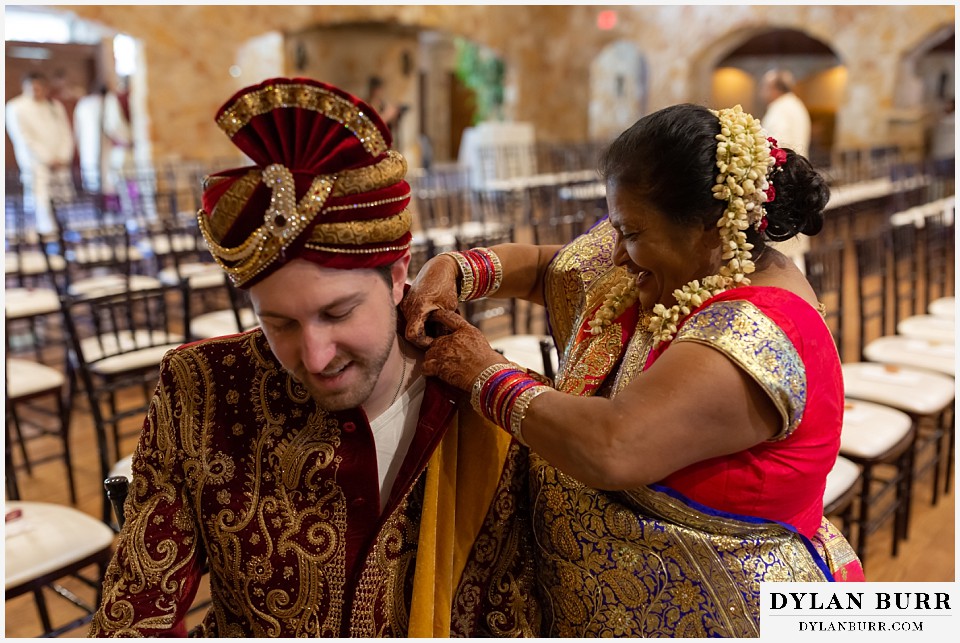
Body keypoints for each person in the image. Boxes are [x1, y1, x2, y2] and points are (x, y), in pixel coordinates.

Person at [88, 77, 539, 637]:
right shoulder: (201, 391)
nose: (316, 355)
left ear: (398, 277)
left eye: (339, 312)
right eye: (279, 323)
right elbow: (135, 611)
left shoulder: (486, 404)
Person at [403, 103, 865, 638]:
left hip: (730, 612)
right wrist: (455, 270)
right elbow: (550, 267)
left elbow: (612, 446)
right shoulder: (679, 260)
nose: (617, 253)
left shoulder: (757, 331)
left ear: (712, 228)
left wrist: (484, 372)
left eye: (631, 233)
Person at [5, 71, 76, 232]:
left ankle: (65, 231)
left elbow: (65, 132)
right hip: (36, 162)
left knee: (62, 200)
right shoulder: (15, 107)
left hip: (60, 161)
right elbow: (23, 137)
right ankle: (48, 233)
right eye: (32, 88)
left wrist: (63, 156)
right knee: (42, 200)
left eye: (38, 88)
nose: (35, 91)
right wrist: (46, 158)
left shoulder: (54, 105)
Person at [73, 81, 132, 195]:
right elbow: (114, 125)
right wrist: (128, 140)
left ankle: (100, 202)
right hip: (102, 144)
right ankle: (108, 203)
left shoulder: (83, 104)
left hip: (87, 145)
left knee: (94, 174)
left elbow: (77, 130)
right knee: (107, 177)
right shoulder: (109, 101)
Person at [760, 68, 812, 158]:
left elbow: (778, 143)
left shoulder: (781, 109)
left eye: (764, 87)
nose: (761, 92)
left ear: (774, 89)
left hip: (786, 167)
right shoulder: (794, 103)